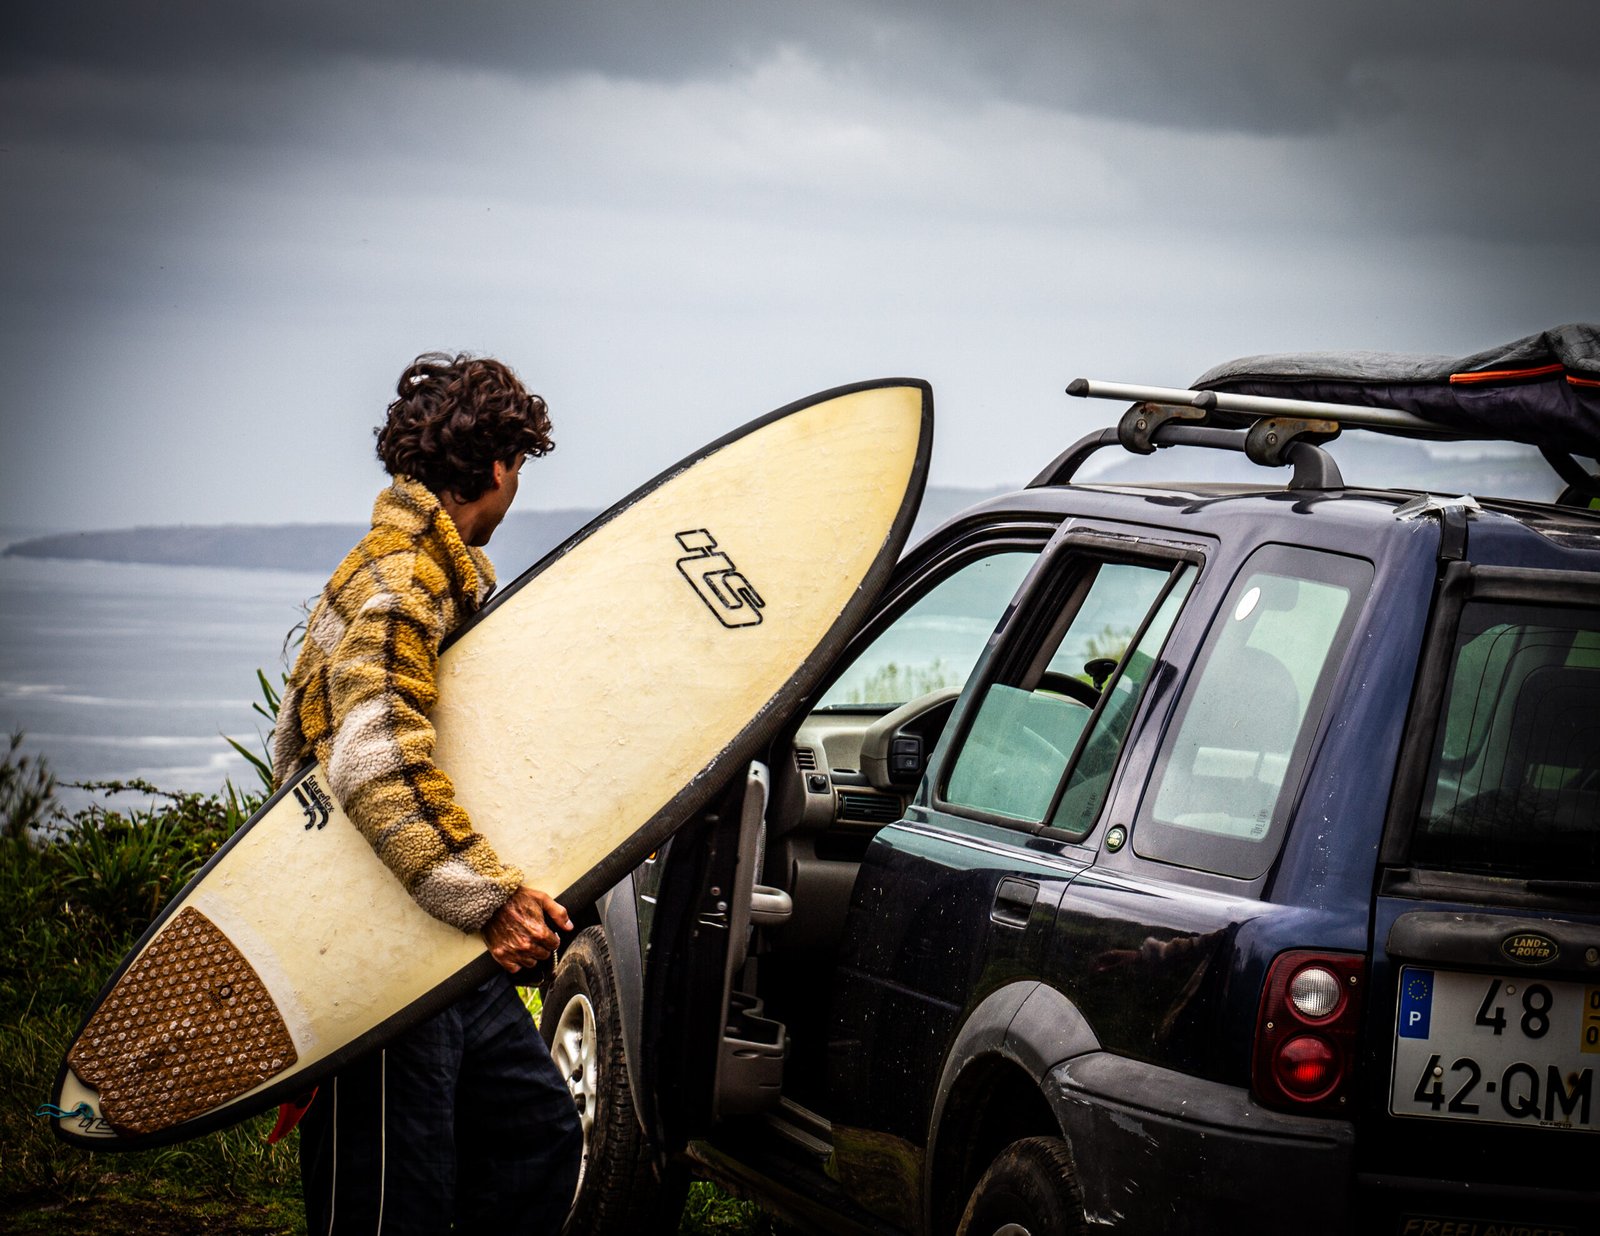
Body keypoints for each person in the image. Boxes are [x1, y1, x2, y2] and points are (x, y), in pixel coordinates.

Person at [270, 352, 583, 1234]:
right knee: (390, 1207)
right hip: (373, 943)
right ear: (497, 468)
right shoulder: (403, 582)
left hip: (428, 941)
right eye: (520, 468)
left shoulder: (421, 571)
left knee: (535, 1135)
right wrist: (487, 898)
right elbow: (374, 754)